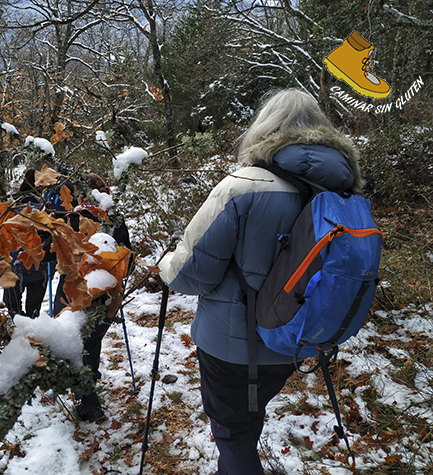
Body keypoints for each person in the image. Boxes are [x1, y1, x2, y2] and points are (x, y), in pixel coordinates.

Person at [158, 88, 364, 475]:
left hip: (231, 345)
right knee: (248, 414)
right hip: (298, 337)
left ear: (265, 127)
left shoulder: (241, 187)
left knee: (232, 431)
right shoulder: (344, 191)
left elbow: (190, 275)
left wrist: (166, 262)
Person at [55, 172, 132, 422]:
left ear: (78, 195)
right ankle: (86, 391)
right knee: (92, 340)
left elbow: (52, 254)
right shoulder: (114, 219)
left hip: (71, 289)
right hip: (107, 294)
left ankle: (85, 395)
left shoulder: (69, 219)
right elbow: (126, 256)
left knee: (77, 342)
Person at [3, 169, 51, 319]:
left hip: (14, 264)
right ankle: (31, 335)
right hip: (38, 266)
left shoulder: (11, 205)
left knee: (13, 307)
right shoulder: (45, 208)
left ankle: (16, 331)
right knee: (34, 310)